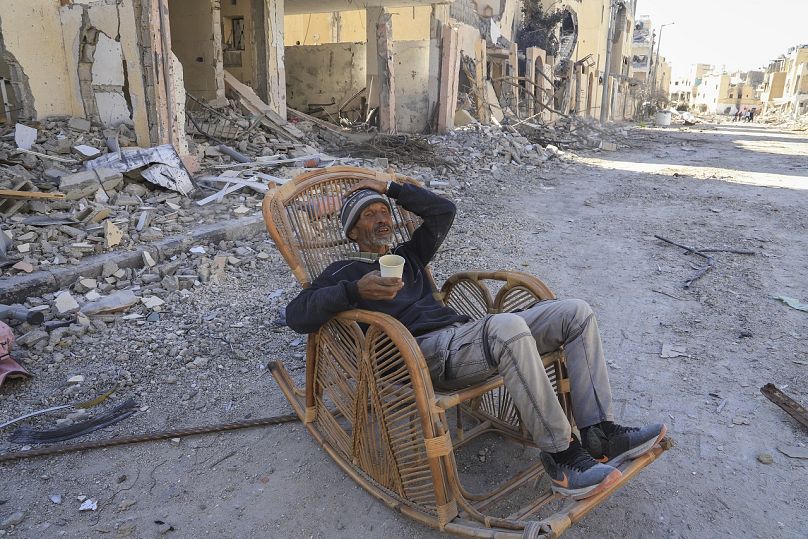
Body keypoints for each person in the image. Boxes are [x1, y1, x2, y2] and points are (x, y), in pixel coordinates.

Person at [285, 179, 667, 500]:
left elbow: (443, 211)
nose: (382, 218)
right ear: (352, 232)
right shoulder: (343, 272)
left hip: (465, 337)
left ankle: (600, 433)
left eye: (383, 211)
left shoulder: (409, 256)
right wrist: (355, 290)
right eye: (369, 215)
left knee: (576, 312)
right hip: (420, 354)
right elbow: (297, 315)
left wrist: (391, 187)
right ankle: (563, 458)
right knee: (505, 327)